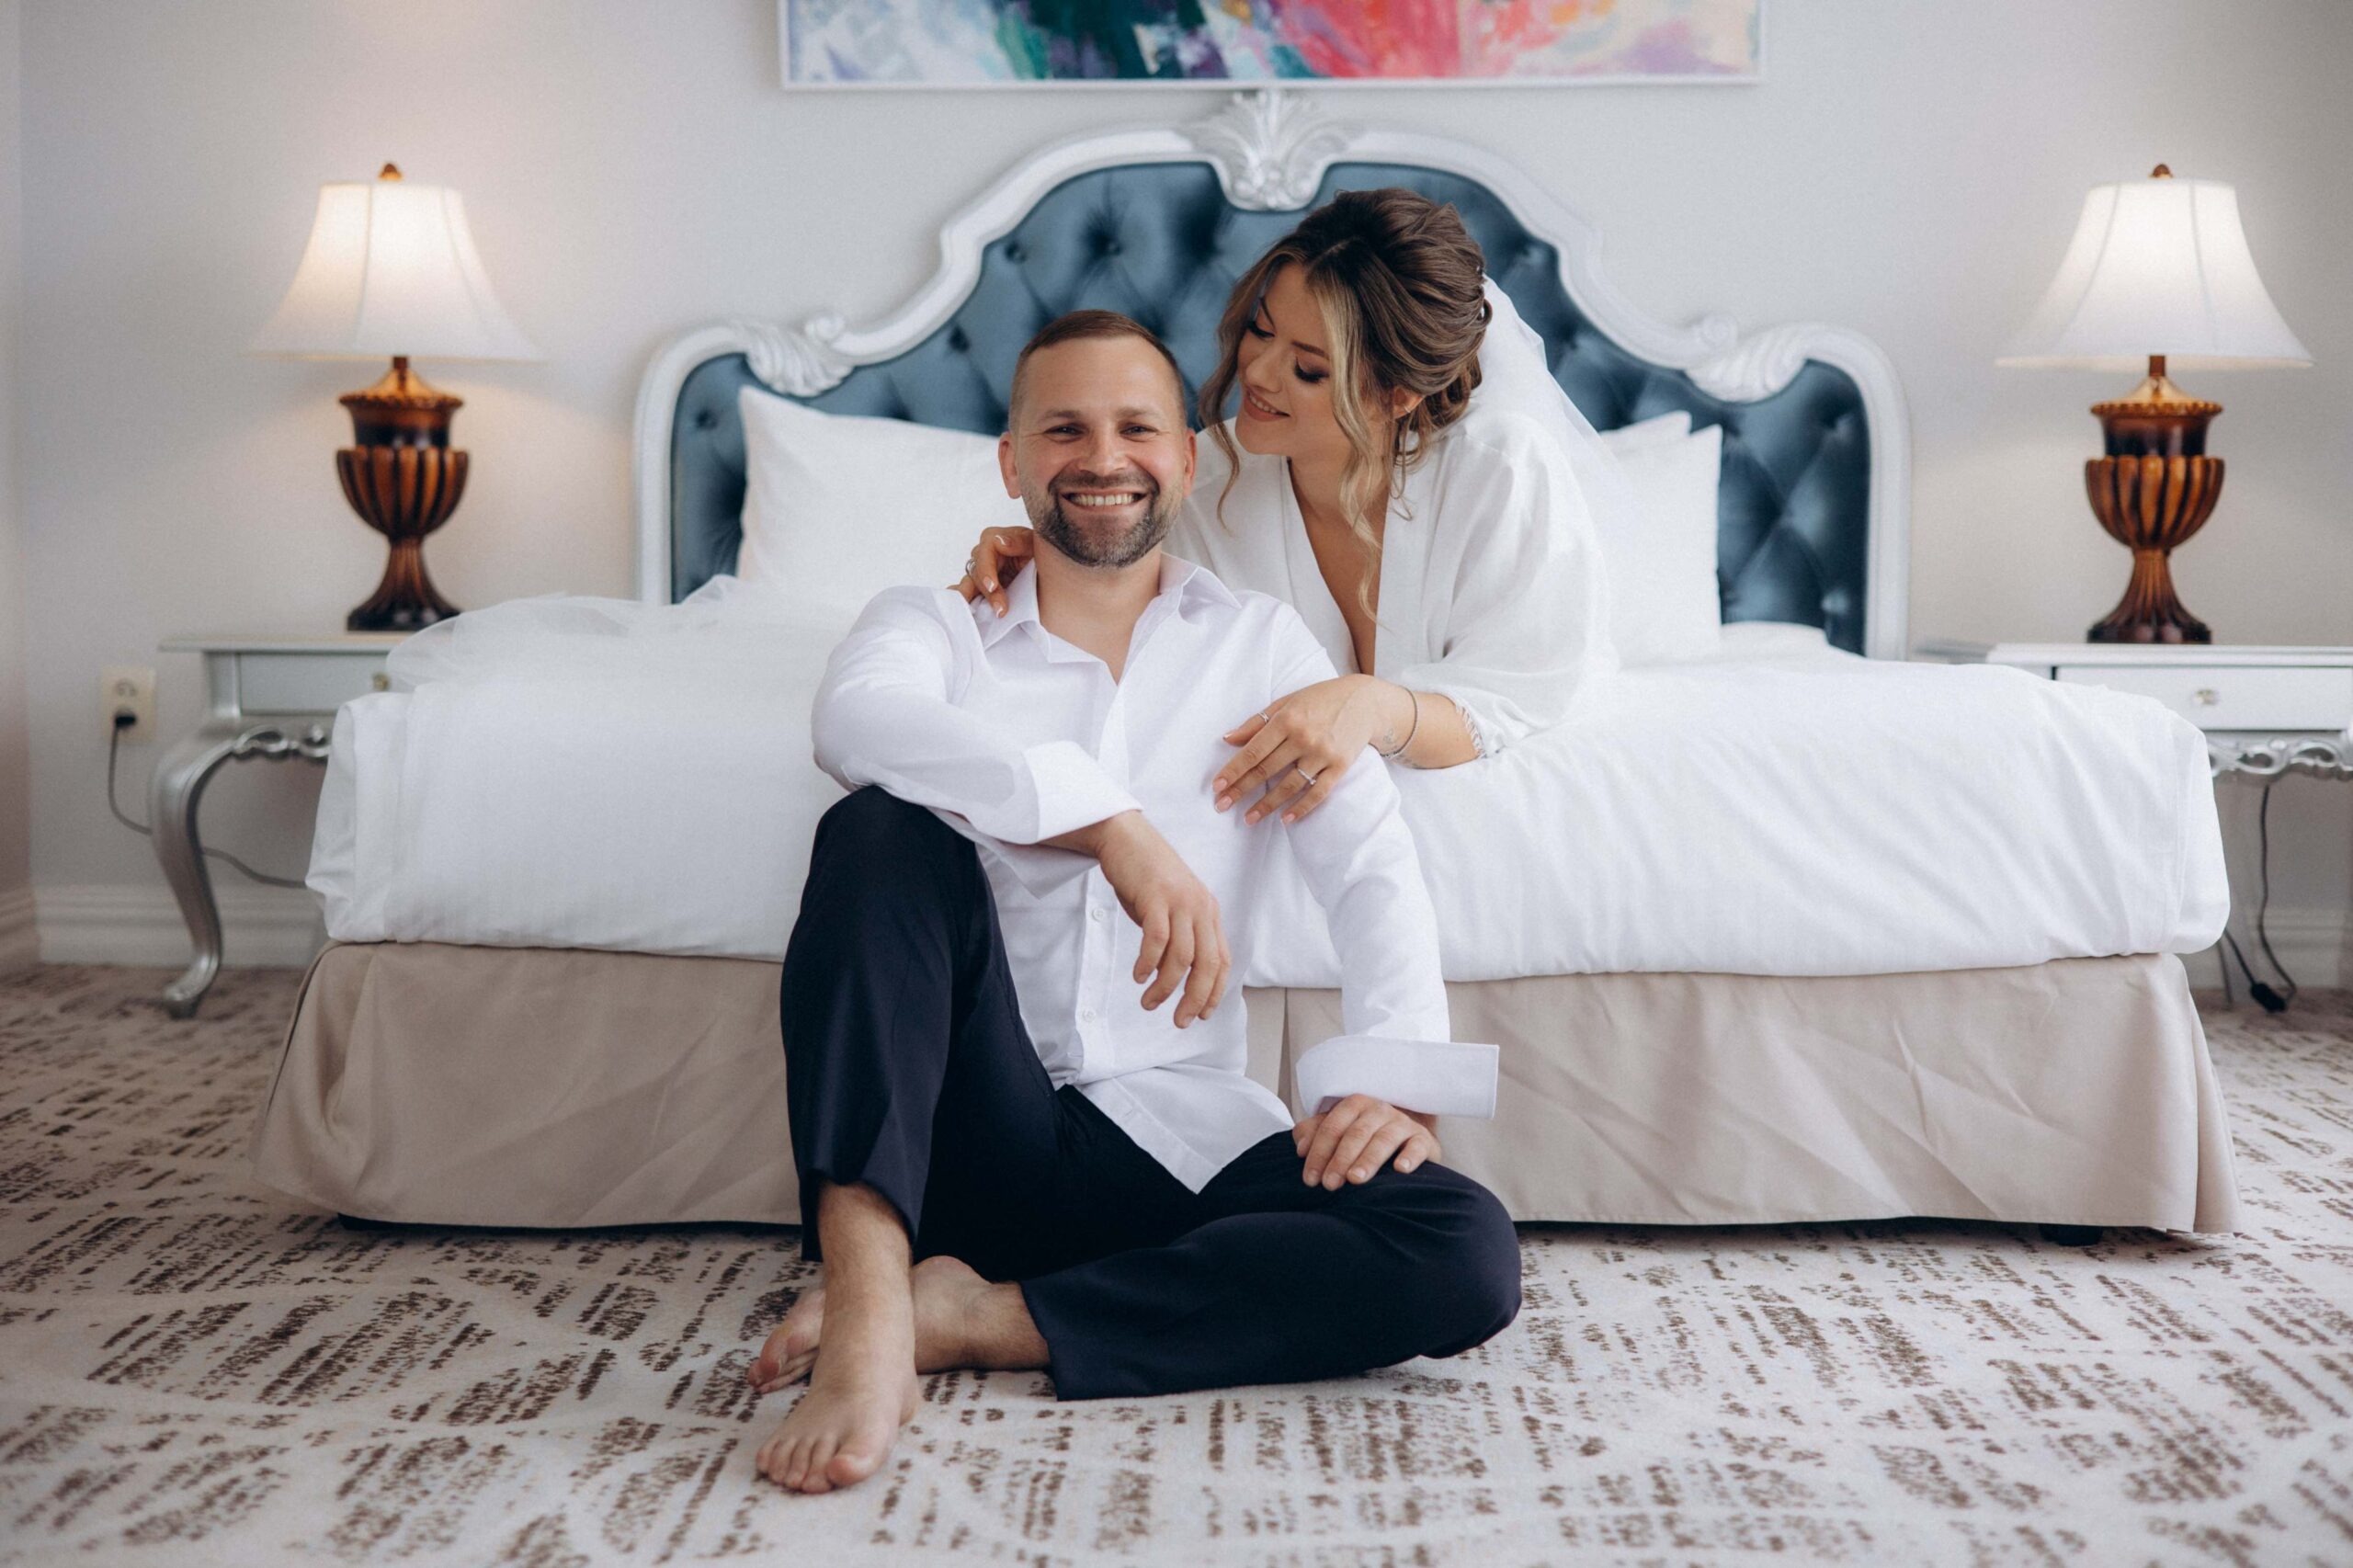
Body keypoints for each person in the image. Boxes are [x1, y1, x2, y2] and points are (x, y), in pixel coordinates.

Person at [749, 310, 1518, 1495]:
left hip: (1180, 1136)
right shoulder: (933, 625)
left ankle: (976, 1316)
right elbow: (854, 724)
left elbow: (1370, 863)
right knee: (876, 829)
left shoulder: (1260, 649)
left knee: (1461, 1251)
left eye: (1135, 427)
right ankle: (865, 1304)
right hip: (965, 1127)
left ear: (1188, 458)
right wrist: (1111, 826)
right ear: (1011, 462)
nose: (1101, 457)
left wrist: (1386, 1079)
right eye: (1063, 428)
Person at [953, 187, 1624, 825]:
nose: (1260, 373)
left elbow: (1522, 693)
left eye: (1309, 368)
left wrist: (1371, 705)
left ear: (1397, 394)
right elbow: (1120, 597)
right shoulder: (1206, 478)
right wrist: (1042, 552)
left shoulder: (1498, 471)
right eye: (1260, 330)